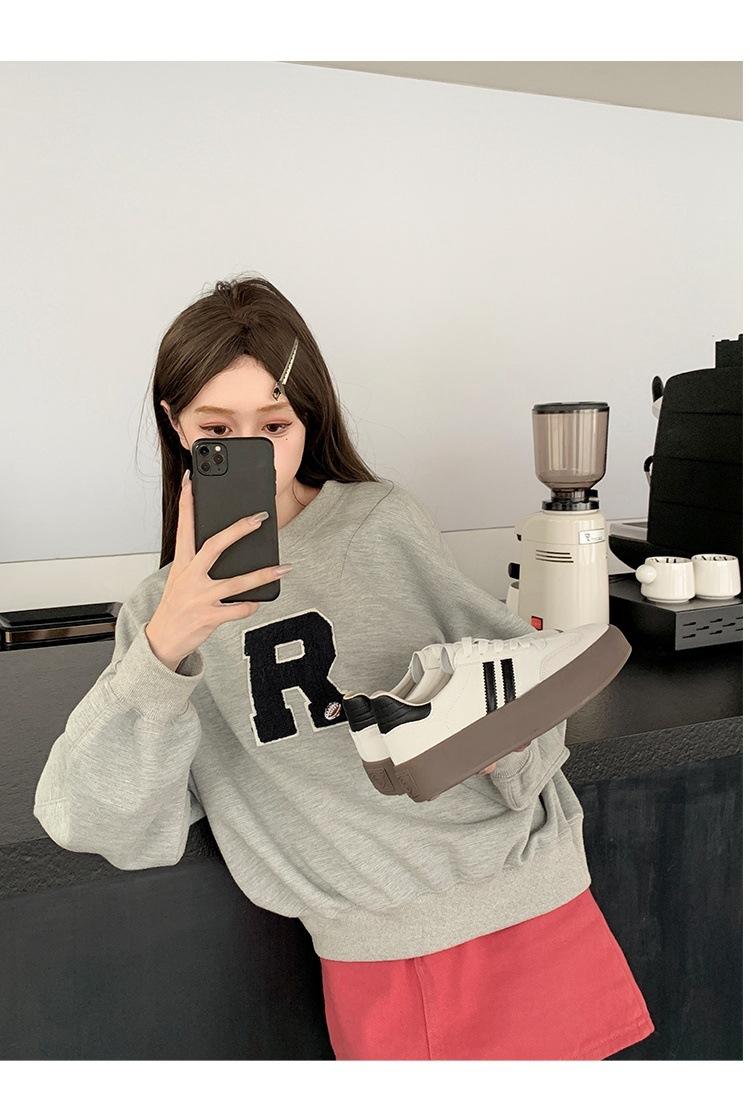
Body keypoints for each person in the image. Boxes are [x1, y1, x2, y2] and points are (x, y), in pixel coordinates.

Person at [34, 275, 655, 1060]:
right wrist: (165, 646)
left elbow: (529, 700)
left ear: (310, 417)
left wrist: (497, 742)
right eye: (218, 428)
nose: (254, 448)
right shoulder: (159, 610)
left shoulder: (380, 520)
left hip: (529, 898)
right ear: (175, 423)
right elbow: (92, 819)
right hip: (380, 953)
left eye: (275, 424)